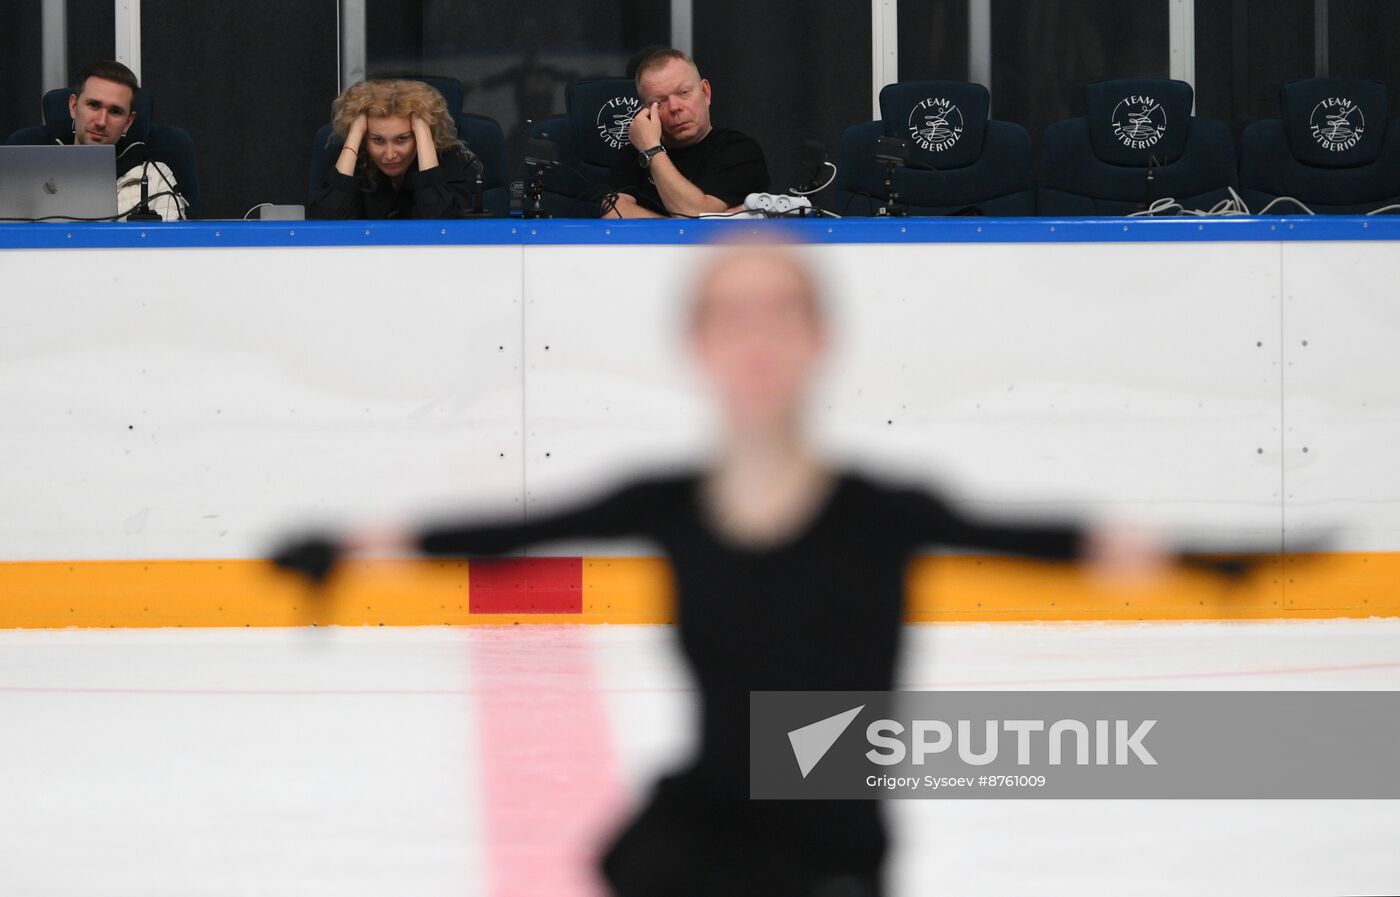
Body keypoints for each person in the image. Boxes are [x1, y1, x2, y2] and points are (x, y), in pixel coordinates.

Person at [271, 241, 1166, 895]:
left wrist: (1211, 561)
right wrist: (353, 544)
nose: (758, 340)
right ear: (695, 344)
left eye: (782, 313)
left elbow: (1028, 537)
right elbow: (519, 532)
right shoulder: (668, 502)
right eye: (732, 316)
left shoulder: (883, 512)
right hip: (704, 832)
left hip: (832, 846)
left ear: (822, 337)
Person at [603, 49, 770, 218]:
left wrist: (652, 152)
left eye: (683, 93)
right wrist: (649, 148)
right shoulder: (636, 152)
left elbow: (694, 214)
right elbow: (612, 212)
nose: (675, 107)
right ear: (646, 113)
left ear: (705, 92)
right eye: (659, 102)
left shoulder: (739, 151)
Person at [309, 79, 480, 220]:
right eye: (378, 140)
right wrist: (355, 132)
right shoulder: (348, 158)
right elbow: (324, 227)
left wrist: (422, 129)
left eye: (402, 139)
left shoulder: (450, 158)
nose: (390, 154)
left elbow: (443, 230)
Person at [58, 60, 187, 221]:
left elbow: (170, 243)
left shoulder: (156, 178)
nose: (101, 122)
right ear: (74, 106)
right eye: (94, 105)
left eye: (115, 111)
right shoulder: (34, 173)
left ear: (128, 122)